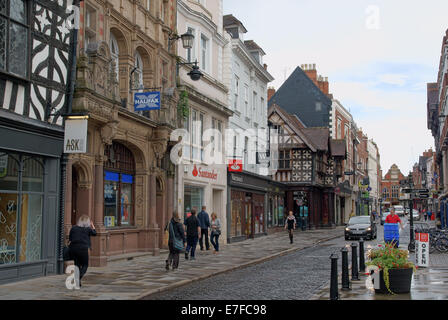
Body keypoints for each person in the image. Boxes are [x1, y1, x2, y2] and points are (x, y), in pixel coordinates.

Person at [68, 215, 97, 287]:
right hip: (83, 249)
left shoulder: (74, 228)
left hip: (73, 248)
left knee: (77, 265)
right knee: (85, 265)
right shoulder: (88, 229)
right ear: (88, 223)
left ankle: (78, 282)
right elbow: (95, 233)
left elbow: (70, 238)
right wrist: (93, 226)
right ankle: (78, 278)